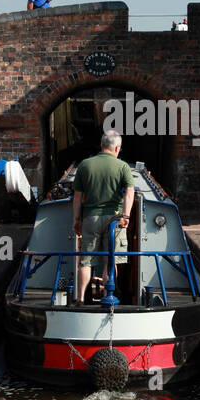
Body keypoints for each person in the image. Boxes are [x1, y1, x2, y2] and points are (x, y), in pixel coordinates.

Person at [72, 130, 134, 304]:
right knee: (110, 260)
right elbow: (129, 193)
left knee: (85, 261)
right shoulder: (123, 167)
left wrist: (76, 220)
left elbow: (77, 197)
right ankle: (109, 296)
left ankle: (81, 298)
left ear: (101, 145)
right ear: (117, 148)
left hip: (90, 218)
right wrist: (126, 216)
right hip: (114, 219)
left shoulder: (84, 165)